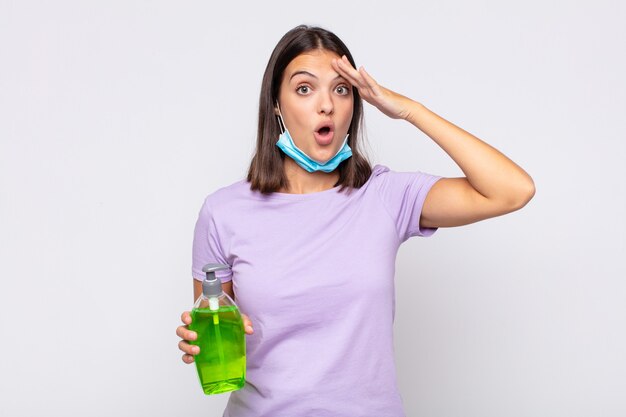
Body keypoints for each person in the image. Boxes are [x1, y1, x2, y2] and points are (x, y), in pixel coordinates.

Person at [175, 25, 535, 416]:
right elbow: (215, 328)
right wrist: (204, 340)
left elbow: (512, 190)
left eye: (341, 89)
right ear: (276, 105)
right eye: (304, 89)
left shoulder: (384, 196)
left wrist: (409, 110)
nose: (326, 105)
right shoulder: (224, 212)